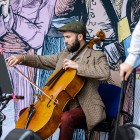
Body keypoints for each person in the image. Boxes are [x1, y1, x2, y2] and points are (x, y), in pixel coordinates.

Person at [6, 21, 110, 140]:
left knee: (66, 118)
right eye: (64, 37)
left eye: (68, 37)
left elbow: (105, 73)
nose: (65, 41)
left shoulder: (97, 56)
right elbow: (41, 60)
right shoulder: (64, 54)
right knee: (26, 114)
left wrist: (77, 66)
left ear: (80, 37)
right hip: (61, 104)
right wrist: (22, 58)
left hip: (85, 106)